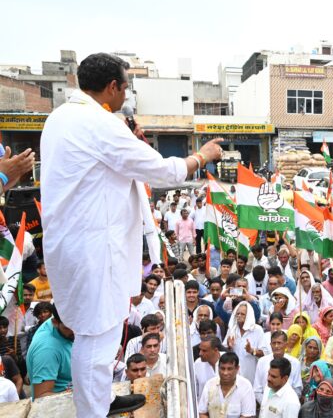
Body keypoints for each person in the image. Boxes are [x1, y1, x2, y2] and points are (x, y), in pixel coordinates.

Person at [40, 52, 224, 417]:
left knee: (99, 334)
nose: (127, 95)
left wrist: (132, 143)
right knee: (97, 335)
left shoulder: (61, 118)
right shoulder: (98, 123)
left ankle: (101, 399)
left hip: (78, 245)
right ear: (112, 87)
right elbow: (161, 171)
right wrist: (202, 156)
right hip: (94, 250)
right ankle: (93, 411)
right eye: (126, 87)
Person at [26, 305, 73, 399]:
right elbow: (42, 397)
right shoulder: (47, 350)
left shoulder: (65, 316)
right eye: (69, 327)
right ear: (55, 322)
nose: (76, 331)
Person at [198, 352, 256, 418]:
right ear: (218, 368)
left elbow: (247, 416)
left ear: (237, 369)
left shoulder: (245, 386)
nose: (225, 373)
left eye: (229, 369)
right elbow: (202, 413)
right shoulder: (210, 384)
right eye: (222, 368)